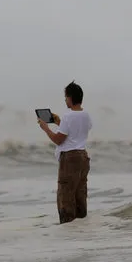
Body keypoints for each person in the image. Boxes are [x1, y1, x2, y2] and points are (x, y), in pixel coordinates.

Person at [37, 81, 92, 224]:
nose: (65, 100)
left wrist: (46, 128)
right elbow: (75, 132)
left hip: (70, 158)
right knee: (80, 195)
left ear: (70, 97)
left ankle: (68, 233)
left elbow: (58, 140)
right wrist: (59, 122)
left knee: (66, 197)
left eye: (66, 96)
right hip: (83, 156)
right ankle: (81, 230)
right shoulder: (86, 115)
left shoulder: (69, 116)